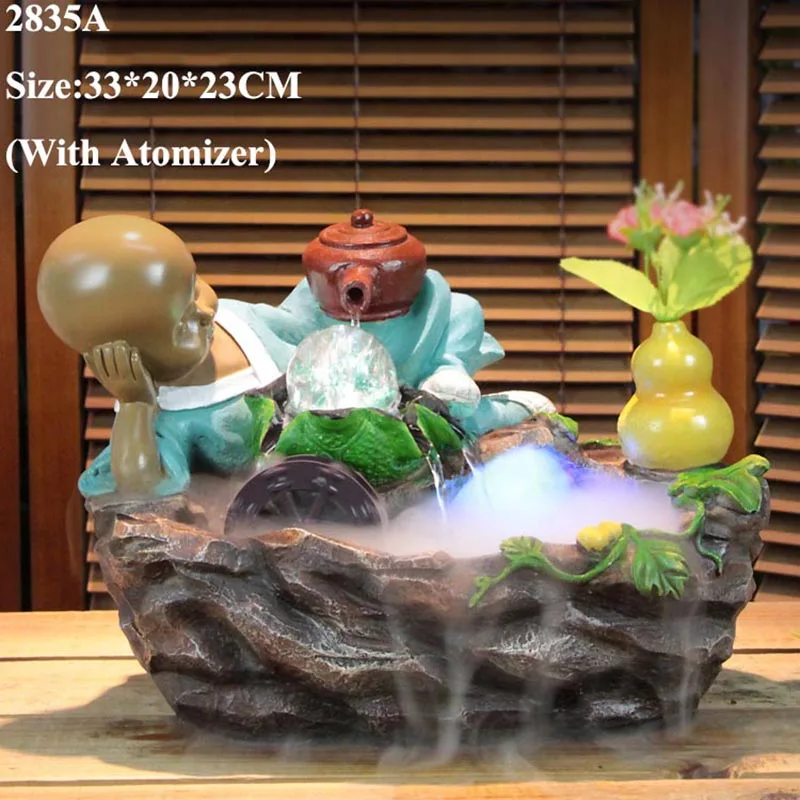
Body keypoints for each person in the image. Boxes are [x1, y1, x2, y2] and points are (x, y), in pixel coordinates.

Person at [38, 213, 555, 499]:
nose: (203, 310)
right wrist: (135, 405)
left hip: (360, 376)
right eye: (179, 324)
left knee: (450, 312)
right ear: (119, 356)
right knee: (431, 431)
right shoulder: (168, 414)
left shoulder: (232, 318)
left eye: (195, 287)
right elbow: (143, 485)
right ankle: (493, 414)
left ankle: (455, 376)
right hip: (336, 463)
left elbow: (298, 321)